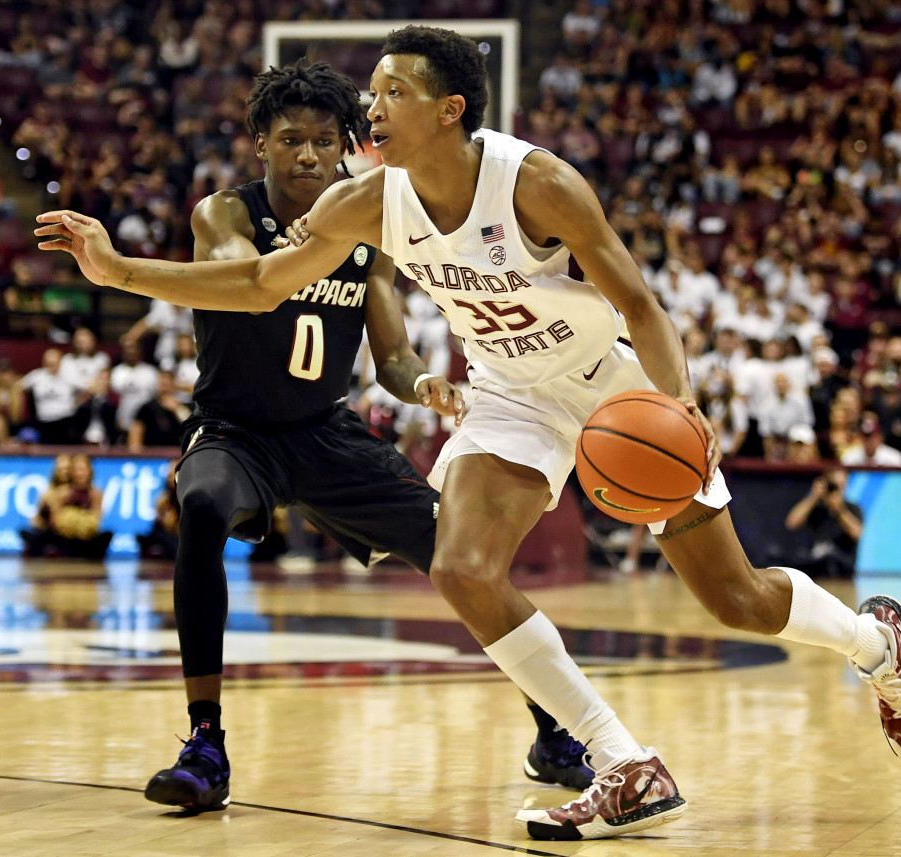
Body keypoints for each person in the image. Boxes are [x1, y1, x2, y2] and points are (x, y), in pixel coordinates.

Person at [37, 27, 901, 841]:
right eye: (372, 91)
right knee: (462, 566)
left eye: (390, 91)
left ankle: (874, 644)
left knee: (735, 600)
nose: (370, 106)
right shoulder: (366, 202)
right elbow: (262, 285)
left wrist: (679, 403)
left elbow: (639, 301)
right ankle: (623, 762)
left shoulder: (535, 182)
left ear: (448, 108)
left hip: (614, 391)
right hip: (507, 392)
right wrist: (116, 268)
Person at [53, 61, 593, 813]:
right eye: (289, 141)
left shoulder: (368, 235)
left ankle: (550, 730)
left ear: (346, 148)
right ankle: (205, 742)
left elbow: (395, 355)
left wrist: (421, 384)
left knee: (459, 556)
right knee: (202, 504)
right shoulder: (225, 214)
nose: (307, 155)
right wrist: (124, 271)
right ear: (260, 148)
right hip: (235, 431)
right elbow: (246, 279)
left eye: (322, 142)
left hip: (325, 433)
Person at [783, 467, 863, 578]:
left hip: (842, 565)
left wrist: (839, 510)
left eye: (839, 487)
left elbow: (857, 533)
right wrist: (813, 496)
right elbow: (791, 523)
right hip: (816, 562)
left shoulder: (852, 508)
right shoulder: (816, 508)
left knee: (831, 561)